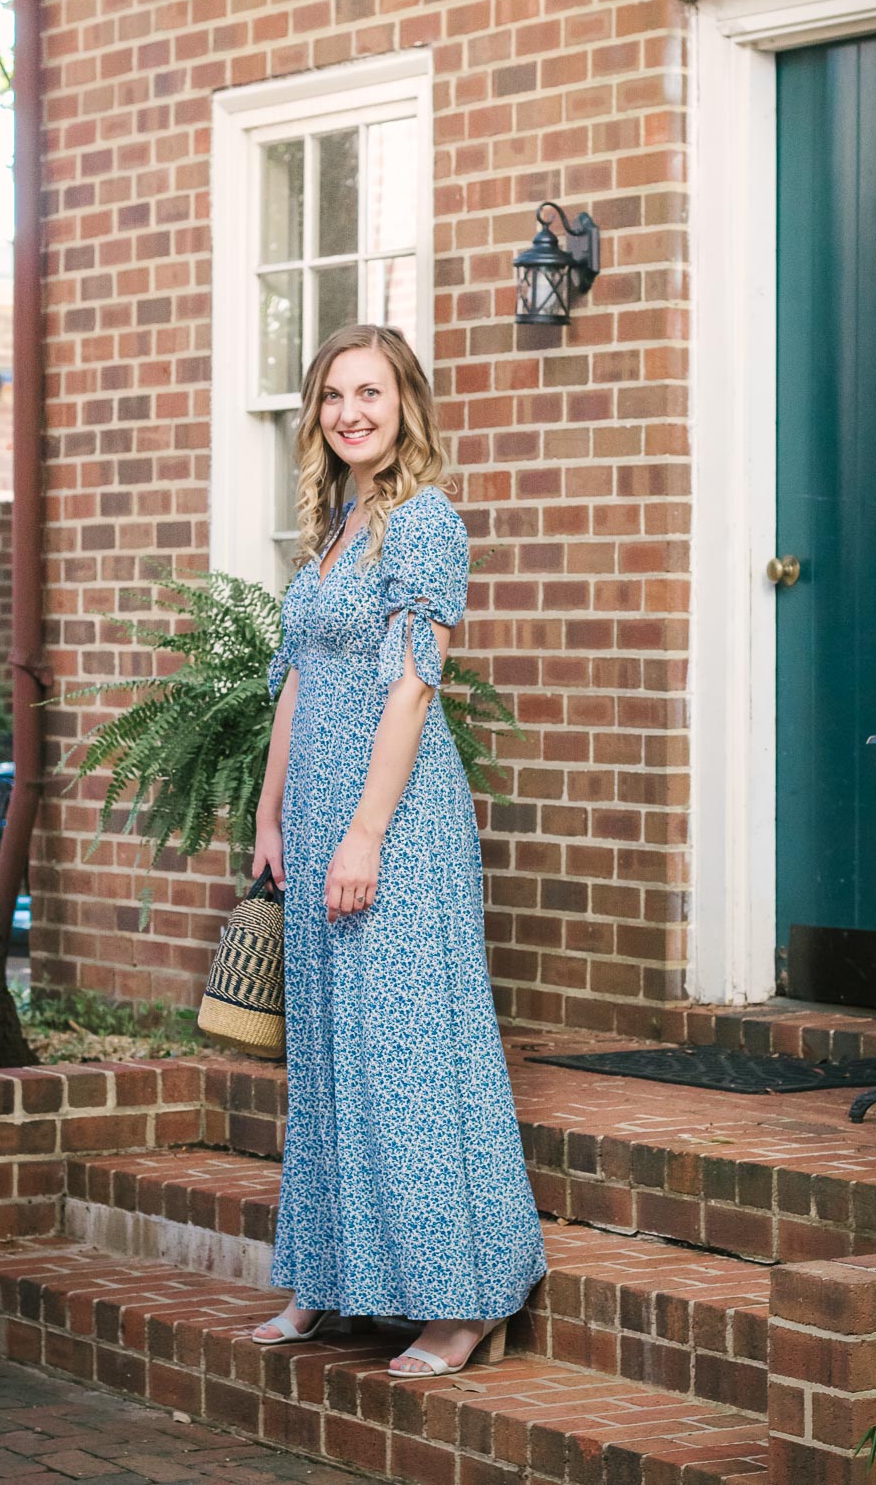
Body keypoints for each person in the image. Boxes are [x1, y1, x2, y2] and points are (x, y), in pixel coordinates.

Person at [249, 323, 547, 1378]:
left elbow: (412, 684)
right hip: (321, 813)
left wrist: (365, 830)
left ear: (403, 404)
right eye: (333, 395)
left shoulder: (425, 524)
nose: (349, 412)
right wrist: (271, 814)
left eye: (368, 392)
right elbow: (296, 678)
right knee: (330, 1061)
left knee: (413, 1058)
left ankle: (463, 1303)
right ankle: (329, 1278)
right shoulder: (333, 527)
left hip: (399, 822)